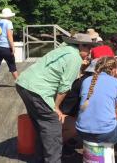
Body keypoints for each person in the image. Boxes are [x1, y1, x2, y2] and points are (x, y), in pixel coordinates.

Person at [16, 33, 96, 163]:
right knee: (53, 129)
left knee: (42, 127)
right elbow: (65, 86)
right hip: (38, 90)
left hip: (24, 84)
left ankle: (39, 159)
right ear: (81, 46)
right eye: (89, 48)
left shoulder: (63, 49)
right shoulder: (75, 58)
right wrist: (56, 107)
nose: (89, 52)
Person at [0, 8, 18, 92]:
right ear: (9, 16)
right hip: (6, 47)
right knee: (12, 65)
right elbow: (9, 36)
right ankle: (19, 84)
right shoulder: (9, 23)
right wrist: (13, 47)